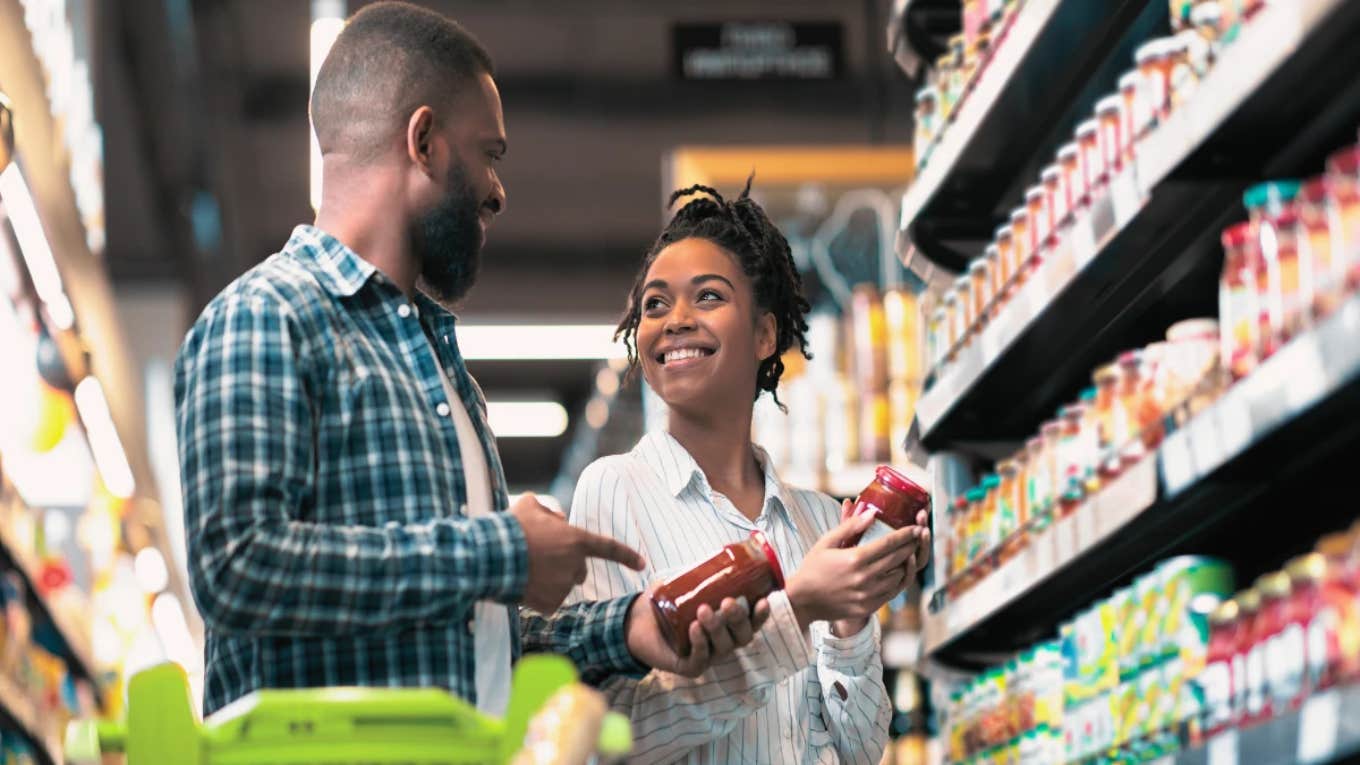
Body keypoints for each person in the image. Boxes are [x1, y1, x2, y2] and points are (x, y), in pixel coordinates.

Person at [174, 2, 761, 718]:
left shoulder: (443, 372)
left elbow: (478, 644)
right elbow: (237, 567)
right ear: (424, 141)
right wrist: (498, 553)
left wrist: (631, 629)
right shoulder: (265, 317)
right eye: (490, 153)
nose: (498, 189)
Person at [567, 181, 932, 764]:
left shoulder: (816, 518)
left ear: (766, 335)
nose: (675, 320)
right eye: (655, 304)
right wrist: (800, 610)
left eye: (707, 297)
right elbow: (612, 737)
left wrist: (851, 621)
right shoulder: (616, 490)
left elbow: (861, 751)